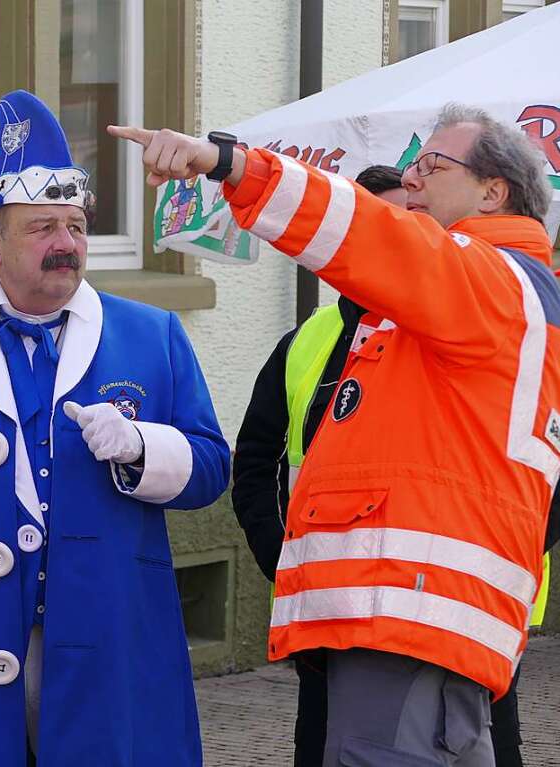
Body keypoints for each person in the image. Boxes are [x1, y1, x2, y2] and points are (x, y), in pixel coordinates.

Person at [112, 103, 560, 766]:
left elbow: (370, 235)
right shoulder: (489, 294)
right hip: (411, 616)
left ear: (493, 192)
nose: (410, 179)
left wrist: (230, 165)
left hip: (410, 613)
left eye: (431, 165)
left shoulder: (487, 276)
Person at [0, 90, 230, 767]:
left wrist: (141, 447)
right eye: (42, 228)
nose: (65, 244)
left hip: (108, 634)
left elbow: (212, 466)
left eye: (74, 226)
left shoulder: (150, 334)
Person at [232, 163, 560, 766]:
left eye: (428, 179)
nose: (410, 215)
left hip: (437, 610)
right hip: (339, 610)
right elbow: (256, 464)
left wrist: (494, 559)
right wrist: (289, 564)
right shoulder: (316, 338)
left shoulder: (473, 311)